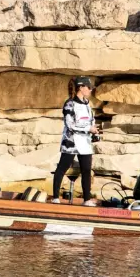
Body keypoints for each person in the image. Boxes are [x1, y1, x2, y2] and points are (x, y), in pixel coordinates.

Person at [53, 76, 100, 206]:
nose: (90, 90)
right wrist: (88, 128)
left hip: (85, 142)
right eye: (88, 87)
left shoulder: (87, 104)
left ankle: (87, 200)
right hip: (71, 142)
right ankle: (55, 197)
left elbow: (90, 121)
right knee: (62, 167)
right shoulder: (69, 104)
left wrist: (94, 131)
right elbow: (70, 125)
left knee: (86, 170)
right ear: (81, 87)